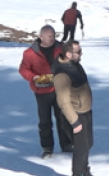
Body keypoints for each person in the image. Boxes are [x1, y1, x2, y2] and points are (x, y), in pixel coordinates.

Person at [19, 25, 73, 158]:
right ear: (41, 37)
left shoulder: (61, 48)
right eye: (49, 36)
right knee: (44, 120)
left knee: (63, 117)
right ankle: (47, 147)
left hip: (59, 89)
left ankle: (67, 144)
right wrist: (33, 77)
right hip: (41, 91)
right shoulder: (29, 53)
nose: (52, 38)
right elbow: (23, 69)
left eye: (53, 35)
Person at [52, 41, 100, 176]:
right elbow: (63, 101)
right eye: (78, 52)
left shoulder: (74, 65)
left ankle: (85, 171)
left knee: (88, 143)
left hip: (85, 110)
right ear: (68, 54)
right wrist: (74, 122)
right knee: (80, 147)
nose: (80, 54)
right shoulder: (62, 74)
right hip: (75, 114)